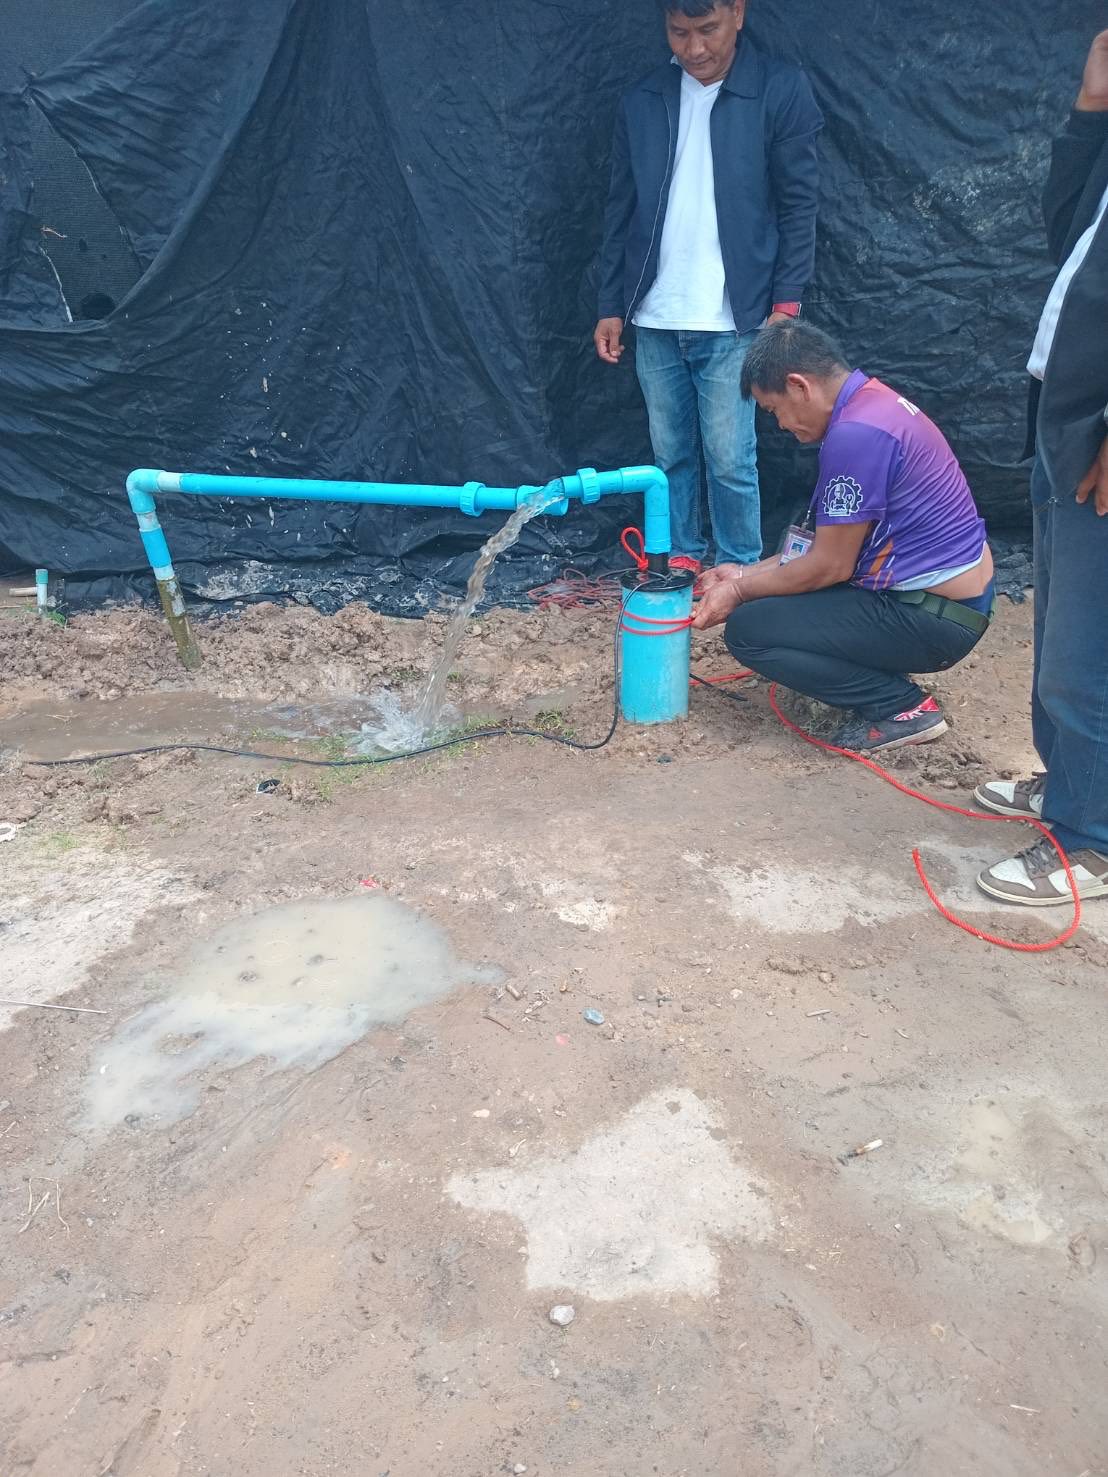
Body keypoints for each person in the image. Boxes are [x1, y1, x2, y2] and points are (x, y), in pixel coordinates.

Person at [594, 0, 822, 578]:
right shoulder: (643, 99)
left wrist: (786, 302)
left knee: (730, 458)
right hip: (655, 313)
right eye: (679, 32)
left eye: (708, 29)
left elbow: (800, 205)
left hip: (735, 317)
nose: (694, 48)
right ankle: (680, 557)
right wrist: (611, 304)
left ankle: (739, 570)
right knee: (668, 453)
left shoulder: (777, 89)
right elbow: (619, 210)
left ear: (738, 13)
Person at [691, 322, 994, 753]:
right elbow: (821, 548)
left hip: (934, 618)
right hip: (948, 604)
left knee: (748, 630)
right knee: (774, 593)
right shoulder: (873, 404)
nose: (780, 425)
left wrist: (739, 592)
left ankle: (901, 707)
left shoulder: (856, 436)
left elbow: (829, 566)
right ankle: (881, 673)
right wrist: (741, 572)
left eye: (773, 410)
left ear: (798, 386)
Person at [973, 32, 1108, 907]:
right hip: (1065, 411)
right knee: (1060, 626)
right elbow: (1067, 228)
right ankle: (1069, 786)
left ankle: (1090, 841)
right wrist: (1090, 110)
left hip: (1098, 432)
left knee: (1085, 651)